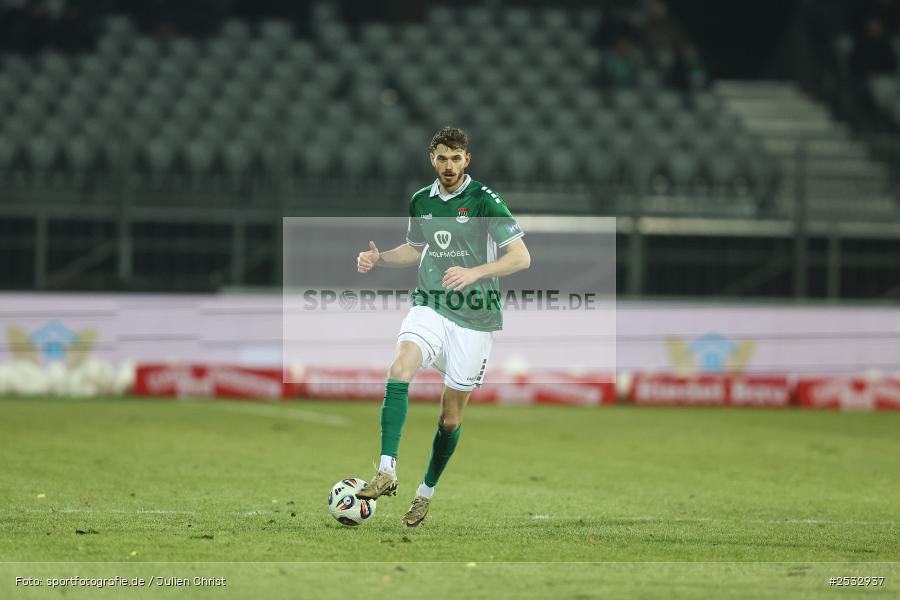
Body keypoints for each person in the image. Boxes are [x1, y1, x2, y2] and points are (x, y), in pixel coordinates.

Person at [354, 126, 531, 527]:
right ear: (431, 159)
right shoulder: (421, 201)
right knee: (400, 367)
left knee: (450, 420)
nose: (448, 166)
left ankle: (425, 492)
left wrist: (475, 272)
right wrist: (379, 258)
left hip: (476, 318)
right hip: (431, 304)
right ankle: (386, 469)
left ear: (467, 160)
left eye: (456, 158)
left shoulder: (485, 202)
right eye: (441, 158)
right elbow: (416, 249)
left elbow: (521, 257)